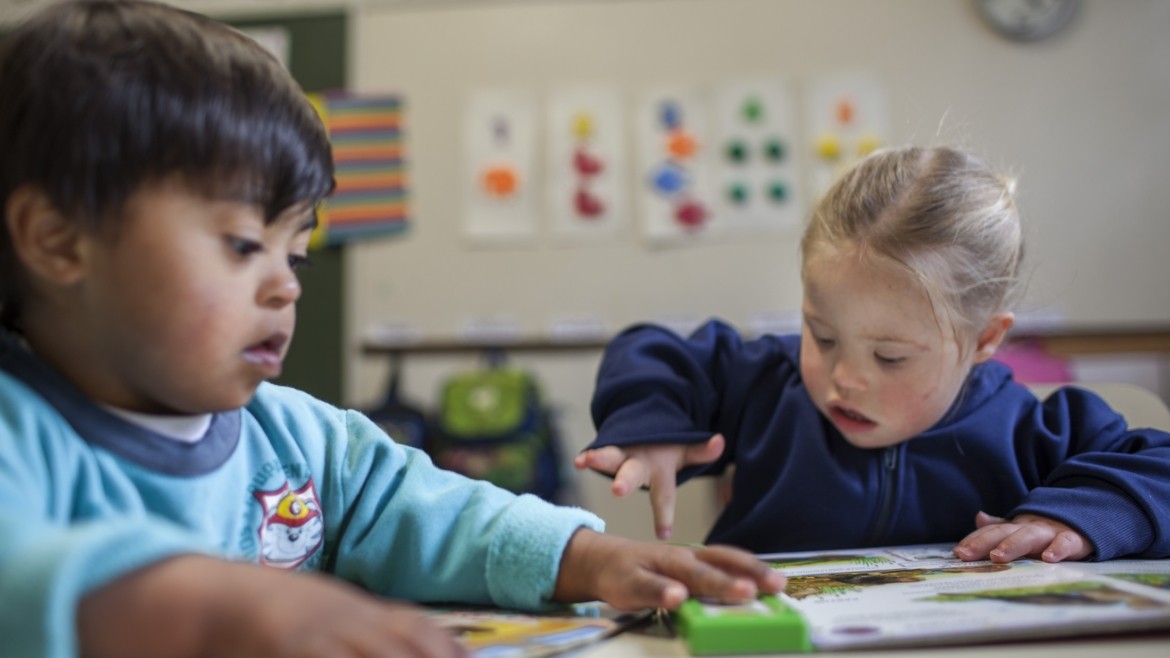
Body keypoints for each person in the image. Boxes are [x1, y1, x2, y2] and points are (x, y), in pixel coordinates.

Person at [0, 3, 784, 657]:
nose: (282, 285)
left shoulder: (302, 440)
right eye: (243, 245)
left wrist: (592, 557)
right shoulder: (17, 429)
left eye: (297, 255)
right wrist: (211, 608)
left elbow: (435, 511)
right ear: (59, 240)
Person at [575, 145, 1170, 565]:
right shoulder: (767, 382)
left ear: (985, 340)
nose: (844, 378)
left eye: (890, 357)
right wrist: (653, 426)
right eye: (822, 336)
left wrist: (1074, 517)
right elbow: (653, 353)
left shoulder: (1035, 428)